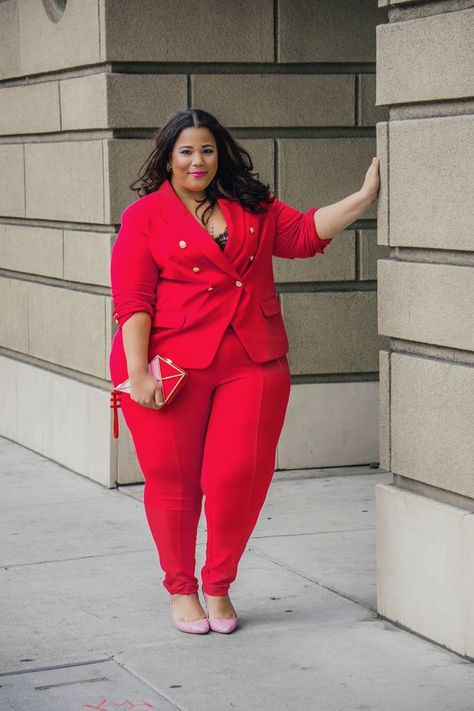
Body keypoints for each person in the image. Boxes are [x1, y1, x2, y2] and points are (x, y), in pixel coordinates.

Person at [109, 108, 380, 635]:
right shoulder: (144, 216)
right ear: (167, 157)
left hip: (253, 359)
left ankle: (218, 584)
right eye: (185, 151)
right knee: (175, 482)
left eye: (207, 150)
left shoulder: (252, 205)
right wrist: (137, 374)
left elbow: (302, 235)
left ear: (220, 153)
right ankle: (181, 588)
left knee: (237, 478)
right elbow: (134, 300)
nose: (197, 161)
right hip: (168, 365)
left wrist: (363, 198)